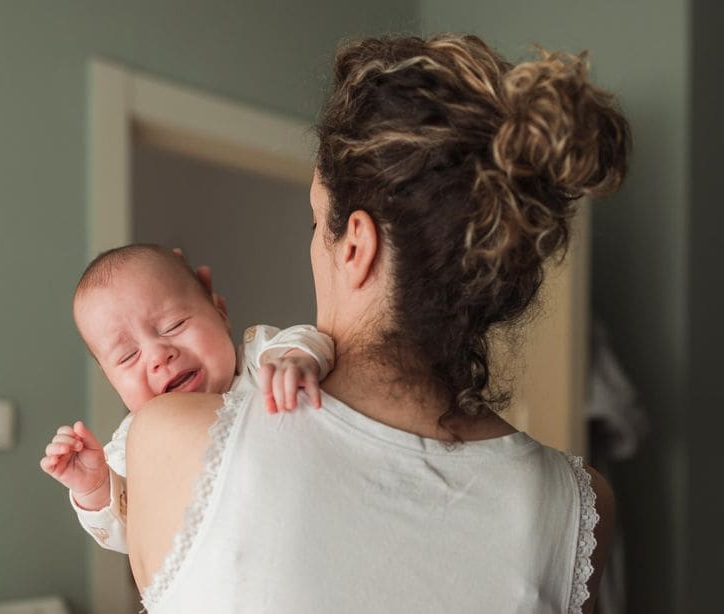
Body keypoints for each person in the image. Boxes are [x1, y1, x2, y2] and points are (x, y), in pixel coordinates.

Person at [127, 33, 630, 613]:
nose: (315, 244)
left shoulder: (172, 440)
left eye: (316, 222)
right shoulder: (579, 506)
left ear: (357, 245)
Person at [39, 244, 334, 553]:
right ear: (111, 381)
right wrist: (97, 487)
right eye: (127, 356)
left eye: (174, 325)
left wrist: (297, 360)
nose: (158, 355)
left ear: (220, 313)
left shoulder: (258, 361)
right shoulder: (135, 441)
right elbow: (133, 533)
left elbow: (308, 338)